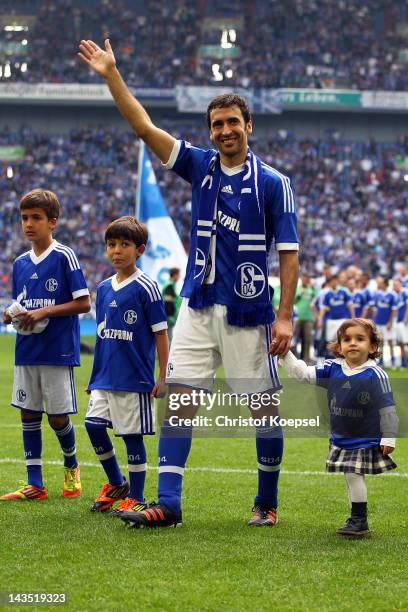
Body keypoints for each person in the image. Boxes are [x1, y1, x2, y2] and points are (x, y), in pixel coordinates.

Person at [78, 39, 299, 528]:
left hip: (248, 314)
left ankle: (267, 502)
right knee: (181, 403)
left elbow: (288, 253)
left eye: (232, 123)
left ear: (248, 127)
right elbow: (143, 126)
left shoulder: (274, 183)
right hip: (197, 307)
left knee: (262, 410)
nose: (224, 131)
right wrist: (111, 74)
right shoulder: (198, 167)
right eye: (216, 125)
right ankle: (169, 504)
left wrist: (284, 315)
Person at [1, 189, 91, 501]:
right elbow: (22, 301)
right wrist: (12, 313)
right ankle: (35, 484)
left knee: (57, 418)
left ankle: (71, 466)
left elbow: (83, 303)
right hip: (27, 350)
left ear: (52, 222)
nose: (28, 224)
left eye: (36, 218)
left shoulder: (65, 256)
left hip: (57, 350)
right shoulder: (20, 263)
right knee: (28, 413)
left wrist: (44, 311)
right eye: (24, 218)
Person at [281, 318, 398, 536]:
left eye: (360, 339)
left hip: (365, 438)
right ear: (339, 346)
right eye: (347, 339)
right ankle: (356, 518)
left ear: (372, 347)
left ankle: (359, 520)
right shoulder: (332, 368)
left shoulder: (375, 374)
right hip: (340, 437)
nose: (352, 343)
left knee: (353, 474)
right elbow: (303, 374)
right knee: (350, 476)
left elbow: (388, 409)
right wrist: (284, 354)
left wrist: (389, 437)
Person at [85, 216, 169, 514]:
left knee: (131, 436)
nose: (116, 251)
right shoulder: (104, 288)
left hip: (135, 378)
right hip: (105, 377)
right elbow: (103, 335)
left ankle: (136, 495)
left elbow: (161, 333)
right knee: (93, 425)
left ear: (140, 250)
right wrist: (94, 378)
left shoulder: (147, 287)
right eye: (111, 245)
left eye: (124, 245)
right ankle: (115, 482)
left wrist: (163, 375)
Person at [371, 276, 398, 368]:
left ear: (385, 283)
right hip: (379, 322)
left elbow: (394, 310)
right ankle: (381, 361)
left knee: (390, 342)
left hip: (388, 323)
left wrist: (391, 322)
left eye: (380, 282)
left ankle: (393, 361)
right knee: (380, 342)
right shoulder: (377, 294)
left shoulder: (392, 295)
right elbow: (375, 309)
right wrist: (374, 321)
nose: (378, 284)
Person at [294, 273, 316, 363]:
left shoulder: (312, 289)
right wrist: (299, 294)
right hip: (297, 317)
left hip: (309, 317)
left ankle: (306, 358)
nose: (305, 279)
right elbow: (293, 301)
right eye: (303, 278)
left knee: (307, 339)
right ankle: (295, 358)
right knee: (295, 338)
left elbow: (315, 301)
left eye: (307, 278)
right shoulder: (297, 288)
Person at [162, 267, 181, 342]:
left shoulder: (171, 285)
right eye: (179, 275)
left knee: (169, 336)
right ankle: (168, 353)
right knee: (169, 337)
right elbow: (168, 302)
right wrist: (170, 316)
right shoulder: (169, 286)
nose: (179, 277)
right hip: (168, 315)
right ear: (175, 275)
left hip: (169, 315)